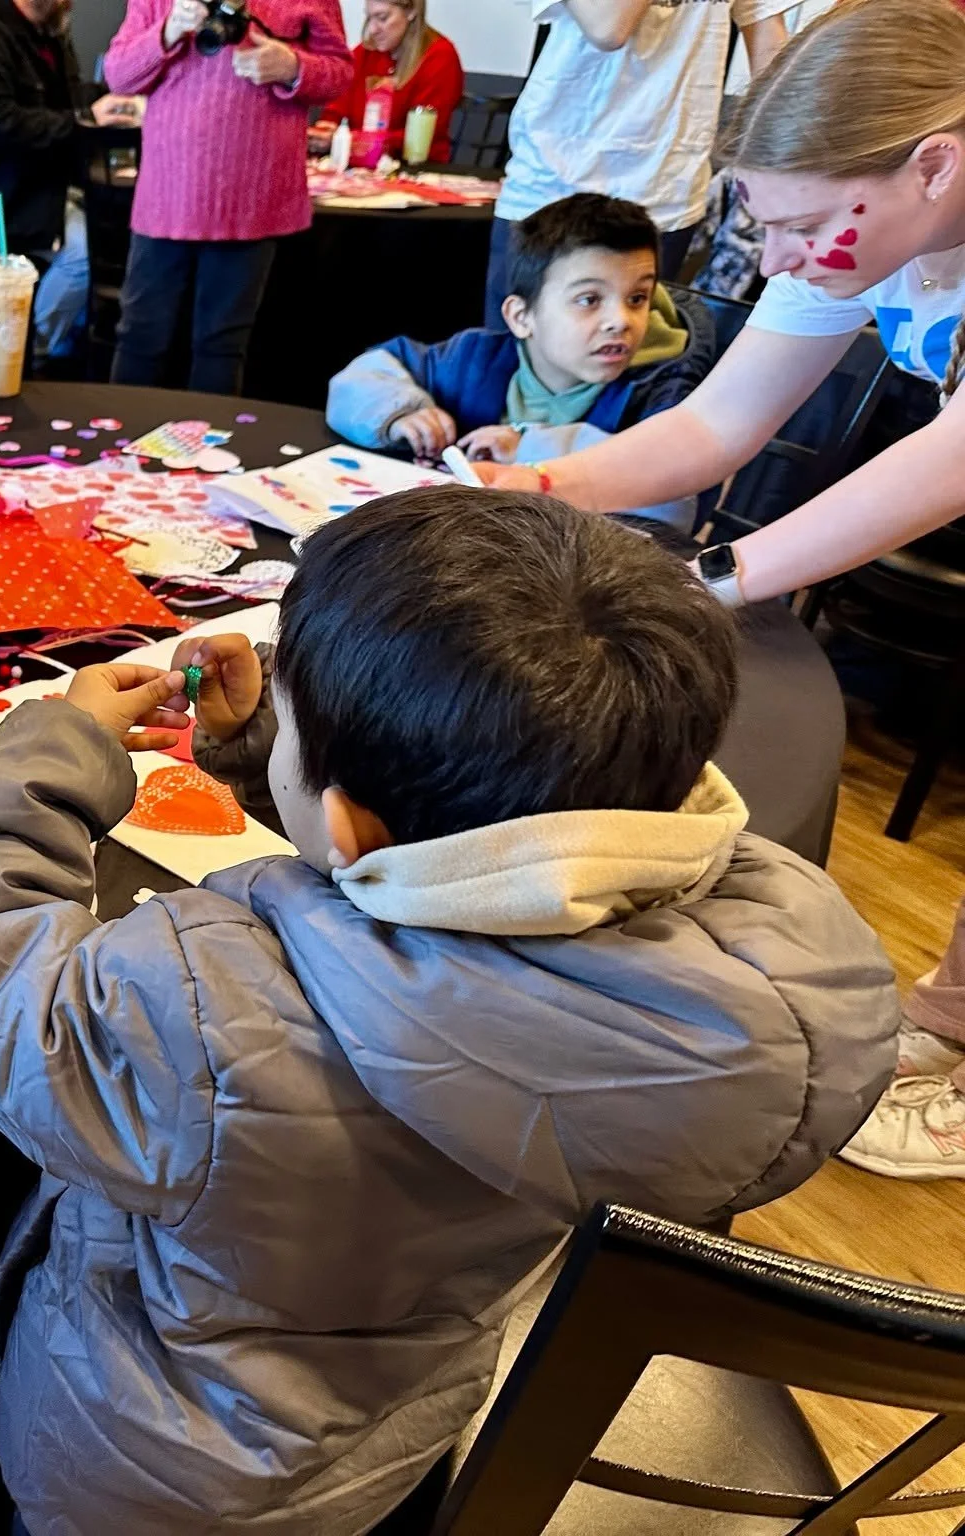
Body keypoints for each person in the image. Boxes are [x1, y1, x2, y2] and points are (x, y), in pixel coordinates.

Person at [0, 490, 898, 1535]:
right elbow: (471, 865)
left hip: (149, 1474)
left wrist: (48, 753)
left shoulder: (199, 1009)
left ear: (346, 824)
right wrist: (268, 746)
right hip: (394, 1422)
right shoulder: (763, 963)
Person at [469, 0, 965, 1178]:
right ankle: (950, 1022)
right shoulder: (866, 215)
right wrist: (542, 478)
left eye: (797, 225)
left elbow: (948, 459)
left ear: (932, 168)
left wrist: (721, 574)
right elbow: (714, 422)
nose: (782, 257)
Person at [328, 192, 715, 524]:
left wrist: (529, 450)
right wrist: (401, 413)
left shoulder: (660, 396)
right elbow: (361, 376)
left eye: (637, 299)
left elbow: (677, 501)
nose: (621, 321)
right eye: (589, 300)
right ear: (520, 316)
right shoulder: (472, 359)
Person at [483, 0, 796, 328]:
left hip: (667, 183)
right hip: (556, 180)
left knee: (632, 361)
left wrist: (788, 158)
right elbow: (608, 28)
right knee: (513, 359)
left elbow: (767, 42)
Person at [103, 0, 352, 393]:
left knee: (221, 345)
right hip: (170, 193)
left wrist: (292, 67)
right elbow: (118, 74)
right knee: (141, 336)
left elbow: (340, 75)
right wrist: (167, 31)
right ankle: (117, 447)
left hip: (251, 198)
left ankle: (207, 452)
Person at [0, 0, 139, 359]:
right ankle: (28, 349)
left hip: (44, 187)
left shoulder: (49, 33)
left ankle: (43, 346)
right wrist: (80, 118)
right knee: (80, 258)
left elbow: (63, 98)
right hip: (1, 198)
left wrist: (102, 102)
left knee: (94, 243)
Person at [309, 0, 463, 165]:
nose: (373, 29)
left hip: (415, 168)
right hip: (359, 167)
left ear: (411, 11)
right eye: (369, 18)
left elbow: (421, 135)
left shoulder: (440, 57)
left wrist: (356, 141)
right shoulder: (364, 53)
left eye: (382, 18)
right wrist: (324, 131)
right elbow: (336, 110)